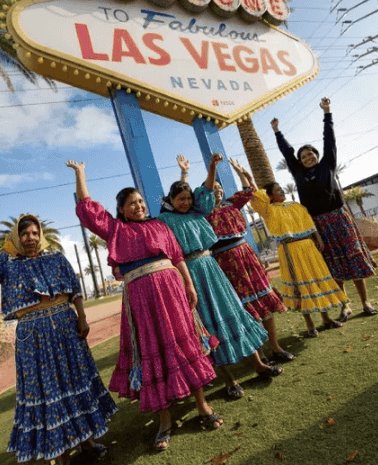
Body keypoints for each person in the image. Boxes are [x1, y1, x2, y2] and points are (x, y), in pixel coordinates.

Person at [68, 160, 222, 452]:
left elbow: (177, 258)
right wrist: (81, 175)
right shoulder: (115, 231)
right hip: (141, 300)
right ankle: (164, 421)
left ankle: (202, 404)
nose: (138, 206)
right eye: (131, 203)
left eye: (140, 201)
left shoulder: (159, 225)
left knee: (184, 344)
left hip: (172, 292)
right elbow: (88, 210)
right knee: (153, 350)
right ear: (122, 209)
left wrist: (189, 285)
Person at [160, 154, 281, 400]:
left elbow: (206, 189)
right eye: (179, 199)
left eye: (187, 198)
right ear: (171, 201)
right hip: (190, 273)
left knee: (235, 310)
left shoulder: (199, 211)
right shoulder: (165, 220)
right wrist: (182, 175)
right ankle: (229, 379)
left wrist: (212, 167)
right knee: (208, 322)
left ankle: (259, 364)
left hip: (212, 267)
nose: (185, 202)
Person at [3, 214, 117, 464]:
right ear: (16, 237)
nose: (30, 238)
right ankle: (61, 453)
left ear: (41, 234)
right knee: (45, 390)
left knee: (74, 381)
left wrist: (83, 317)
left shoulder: (55, 258)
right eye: (24, 234)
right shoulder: (8, 265)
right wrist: (6, 249)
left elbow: (74, 289)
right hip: (32, 336)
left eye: (34, 233)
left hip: (66, 327)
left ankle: (87, 441)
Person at [178, 155, 295, 364]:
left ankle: (275, 346)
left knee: (264, 301)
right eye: (213, 189)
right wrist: (186, 173)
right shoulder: (200, 213)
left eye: (220, 189)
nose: (218, 191)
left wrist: (242, 172)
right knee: (241, 308)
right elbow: (184, 194)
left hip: (246, 256)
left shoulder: (232, 204)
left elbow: (250, 189)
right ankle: (258, 353)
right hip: (224, 263)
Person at [271, 97, 378, 323]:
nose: (308, 158)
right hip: (318, 225)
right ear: (299, 161)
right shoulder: (298, 173)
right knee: (332, 265)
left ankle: (366, 302)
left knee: (353, 258)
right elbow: (287, 153)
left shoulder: (327, 164)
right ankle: (345, 305)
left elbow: (329, 140)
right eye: (303, 156)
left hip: (339, 219)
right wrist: (277, 132)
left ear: (317, 156)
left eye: (311, 154)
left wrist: (327, 113)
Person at [250, 182, 348, 337]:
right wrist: (246, 176)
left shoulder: (297, 206)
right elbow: (256, 195)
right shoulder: (268, 210)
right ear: (270, 196)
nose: (281, 191)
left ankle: (326, 319)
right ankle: (310, 325)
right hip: (289, 250)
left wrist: (318, 238)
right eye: (277, 190)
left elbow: (309, 222)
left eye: (281, 188)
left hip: (308, 247)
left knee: (316, 281)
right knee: (300, 285)